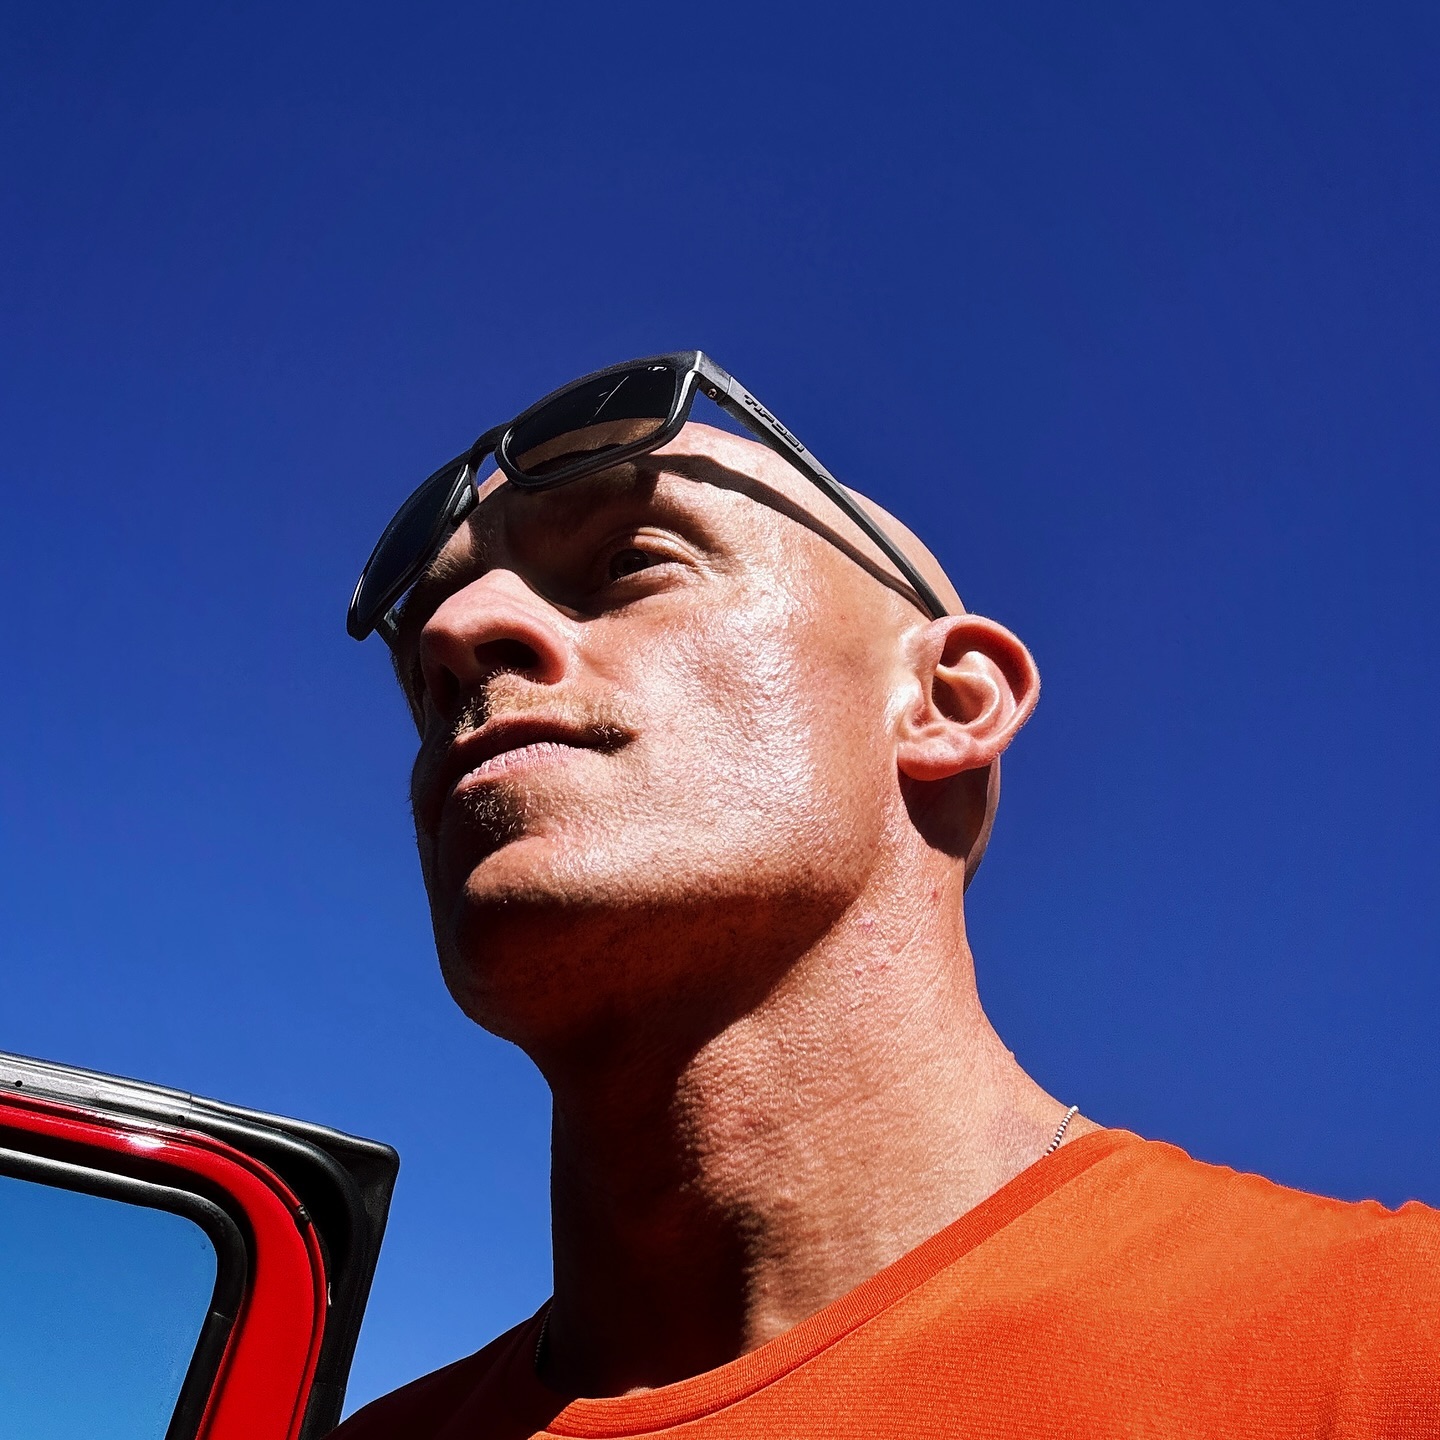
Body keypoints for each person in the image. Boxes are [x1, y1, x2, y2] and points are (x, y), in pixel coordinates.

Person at [334, 356, 1439, 1439]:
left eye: (631, 559)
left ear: (951, 702)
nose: (454, 641)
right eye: (426, 653)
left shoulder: (1397, 1343)